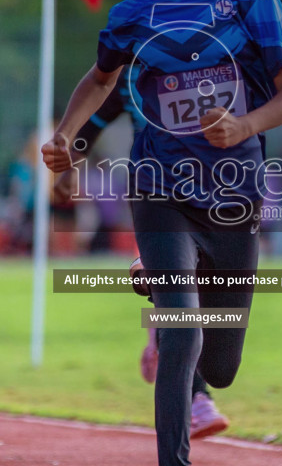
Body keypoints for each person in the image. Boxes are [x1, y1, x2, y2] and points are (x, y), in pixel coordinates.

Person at [42, 0, 282, 466]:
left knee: (219, 367)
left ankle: (167, 297)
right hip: (158, 187)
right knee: (183, 329)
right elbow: (102, 80)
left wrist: (242, 128)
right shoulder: (134, 11)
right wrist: (66, 138)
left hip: (233, 198)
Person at [61, 69, 229, 439]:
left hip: (210, 195)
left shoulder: (211, 71)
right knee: (181, 293)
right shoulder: (130, 78)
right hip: (155, 198)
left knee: (195, 295)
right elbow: (92, 125)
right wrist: (69, 164)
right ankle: (198, 396)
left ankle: (160, 337)